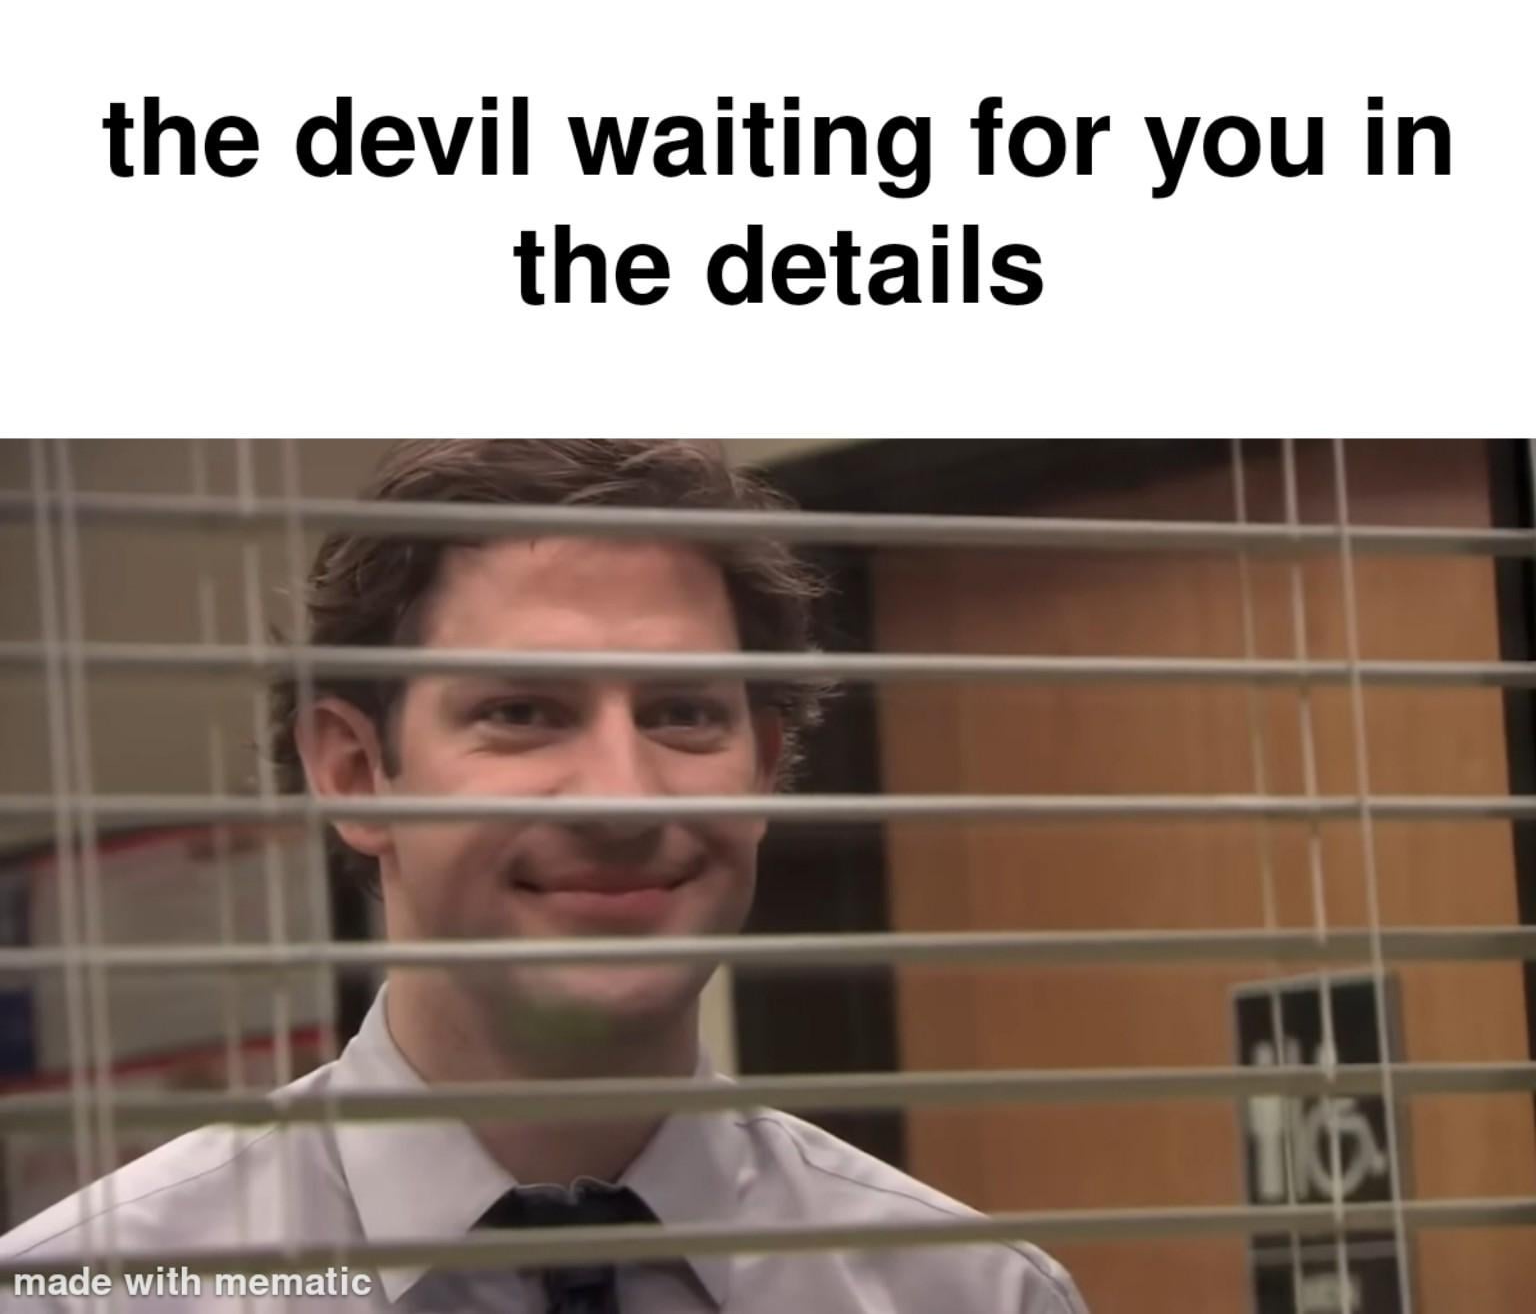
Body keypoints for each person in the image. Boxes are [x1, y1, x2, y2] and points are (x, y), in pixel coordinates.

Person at [1, 440, 1086, 1312]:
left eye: (682, 713)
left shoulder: (969, 1293)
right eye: (522, 711)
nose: (622, 797)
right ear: (358, 771)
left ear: (762, 769)